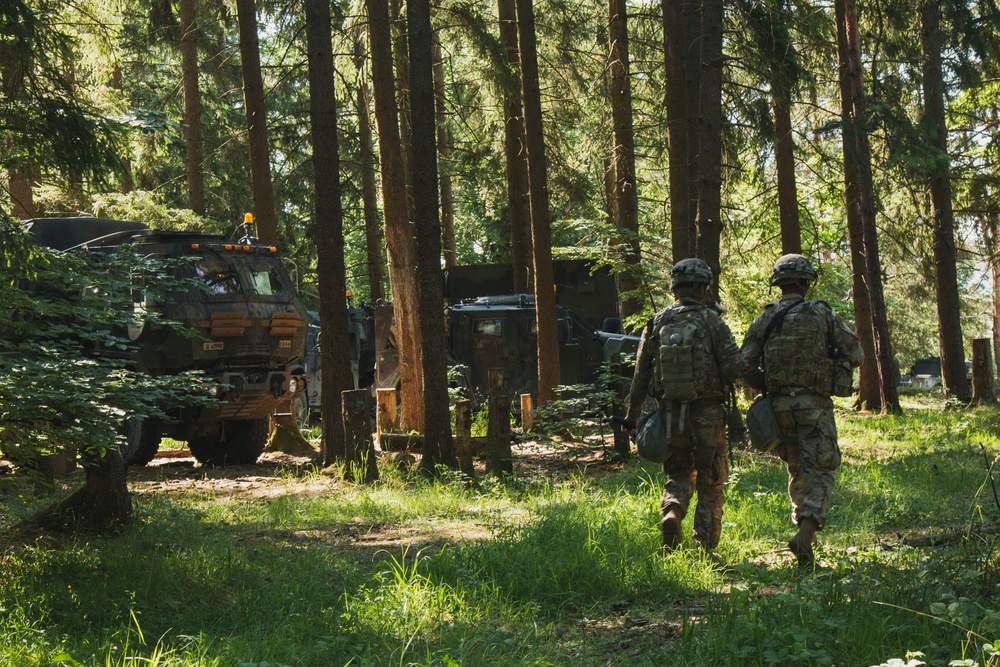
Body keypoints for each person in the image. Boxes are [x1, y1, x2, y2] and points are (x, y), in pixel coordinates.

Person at [739, 254, 864, 567]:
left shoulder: (765, 317)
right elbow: (856, 353)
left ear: (778, 284)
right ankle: (806, 531)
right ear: (807, 283)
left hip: (778, 408)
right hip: (814, 408)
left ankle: (803, 540)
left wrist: (766, 385)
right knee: (820, 469)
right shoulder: (821, 313)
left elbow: (743, 364)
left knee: (796, 468)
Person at [624, 258, 740, 551]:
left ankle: (673, 511)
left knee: (679, 471)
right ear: (703, 287)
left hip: (670, 414)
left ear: (675, 287)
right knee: (710, 480)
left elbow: (641, 374)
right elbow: (733, 366)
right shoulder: (711, 320)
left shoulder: (658, 321)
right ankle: (703, 548)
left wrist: (632, 416)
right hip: (708, 413)